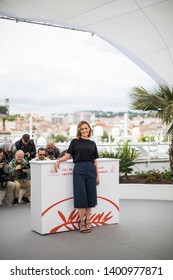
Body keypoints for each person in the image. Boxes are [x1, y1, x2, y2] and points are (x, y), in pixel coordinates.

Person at [54, 120, 100, 233]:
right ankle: (81, 221)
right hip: (79, 169)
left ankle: (87, 221)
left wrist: (97, 175)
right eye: (82, 128)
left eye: (86, 128)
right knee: (81, 196)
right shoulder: (75, 142)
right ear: (79, 130)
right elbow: (68, 155)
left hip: (91, 170)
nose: (84, 130)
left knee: (90, 197)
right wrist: (58, 161)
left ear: (89, 129)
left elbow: (95, 161)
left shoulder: (92, 143)